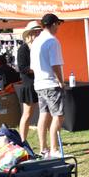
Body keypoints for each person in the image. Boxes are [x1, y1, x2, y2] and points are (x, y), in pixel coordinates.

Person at [30, 13, 65, 158]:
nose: (58, 27)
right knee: (59, 116)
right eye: (58, 24)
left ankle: (44, 149)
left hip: (39, 83)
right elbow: (55, 64)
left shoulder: (36, 41)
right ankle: (54, 149)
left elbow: (33, 67)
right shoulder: (52, 41)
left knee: (44, 115)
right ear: (54, 24)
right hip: (50, 83)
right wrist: (61, 81)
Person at [16, 20, 42, 142]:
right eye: (36, 31)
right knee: (27, 114)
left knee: (45, 113)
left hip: (41, 83)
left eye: (39, 31)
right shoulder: (23, 49)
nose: (38, 33)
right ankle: (22, 140)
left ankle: (46, 141)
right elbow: (22, 68)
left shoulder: (40, 46)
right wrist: (36, 69)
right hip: (29, 85)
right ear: (30, 33)